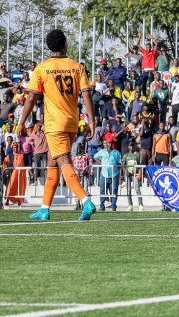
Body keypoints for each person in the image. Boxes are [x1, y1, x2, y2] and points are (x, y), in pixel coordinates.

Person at [18, 29, 99, 221]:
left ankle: (86, 201)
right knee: (52, 163)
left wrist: (22, 122)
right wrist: (92, 121)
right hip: (72, 121)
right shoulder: (76, 66)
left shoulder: (42, 68)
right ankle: (44, 208)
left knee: (64, 162)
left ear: (49, 46)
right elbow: (86, 94)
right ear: (65, 45)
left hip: (55, 123)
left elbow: (31, 98)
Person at [93, 139, 121, 211]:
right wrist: (101, 163)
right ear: (106, 144)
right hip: (104, 174)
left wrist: (120, 174)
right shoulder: (102, 151)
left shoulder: (116, 152)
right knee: (102, 191)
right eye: (109, 143)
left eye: (111, 143)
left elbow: (119, 163)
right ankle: (102, 207)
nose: (110, 144)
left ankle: (114, 206)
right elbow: (95, 156)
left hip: (114, 174)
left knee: (114, 191)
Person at [122, 143, 143, 211]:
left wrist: (136, 170)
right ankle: (130, 204)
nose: (132, 147)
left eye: (133, 145)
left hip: (135, 174)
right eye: (130, 145)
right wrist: (126, 171)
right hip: (128, 174)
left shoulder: (137, 155)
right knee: (128, 189)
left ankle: (140, 204)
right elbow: (123, 165)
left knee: (137, 189)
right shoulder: (126, 155)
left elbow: (140, 164)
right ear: (128, 147)